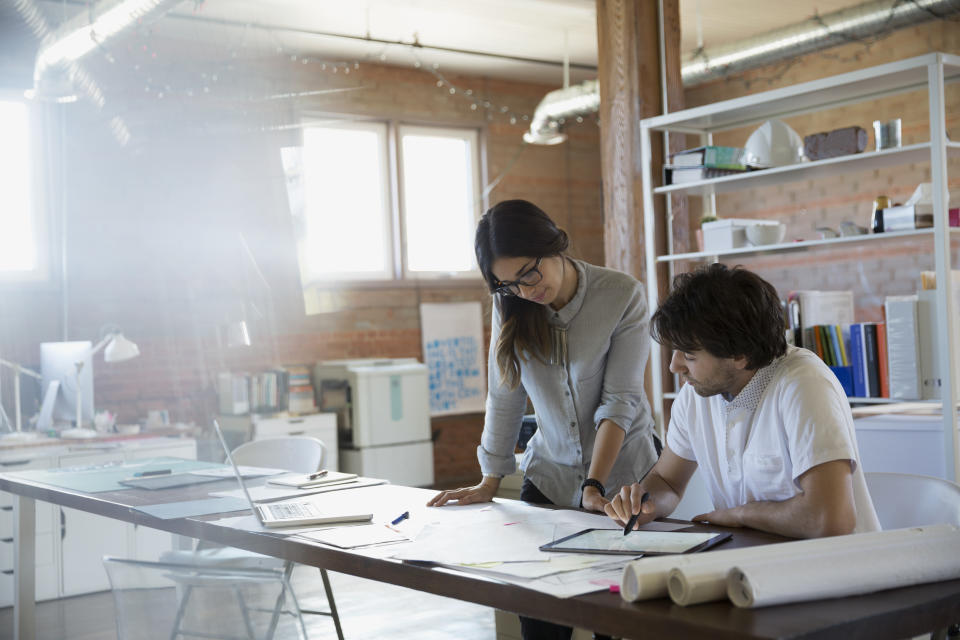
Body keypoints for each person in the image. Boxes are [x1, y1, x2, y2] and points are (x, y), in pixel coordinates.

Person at [428, 199, 658, 640]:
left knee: (615, 618)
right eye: (508, 283)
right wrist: (490, 479)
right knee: (540, 622)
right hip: (548, 478)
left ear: (553, 244)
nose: (525, 290)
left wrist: (594, 485)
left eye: (529, 273)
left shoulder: (622, 294)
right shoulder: (510, 303)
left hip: (623, 483)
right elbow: (505, 391)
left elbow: (620, 402)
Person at [606, 263, 880, 538]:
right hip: (753, 563)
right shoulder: (697, 393)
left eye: (689, 355)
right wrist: (645, 502)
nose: (674, 367)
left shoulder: (803, 384)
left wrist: (739, 514)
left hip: (834, 570)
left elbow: (830, 520)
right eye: (676, 351)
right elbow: (667, 481)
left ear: (740, 355)